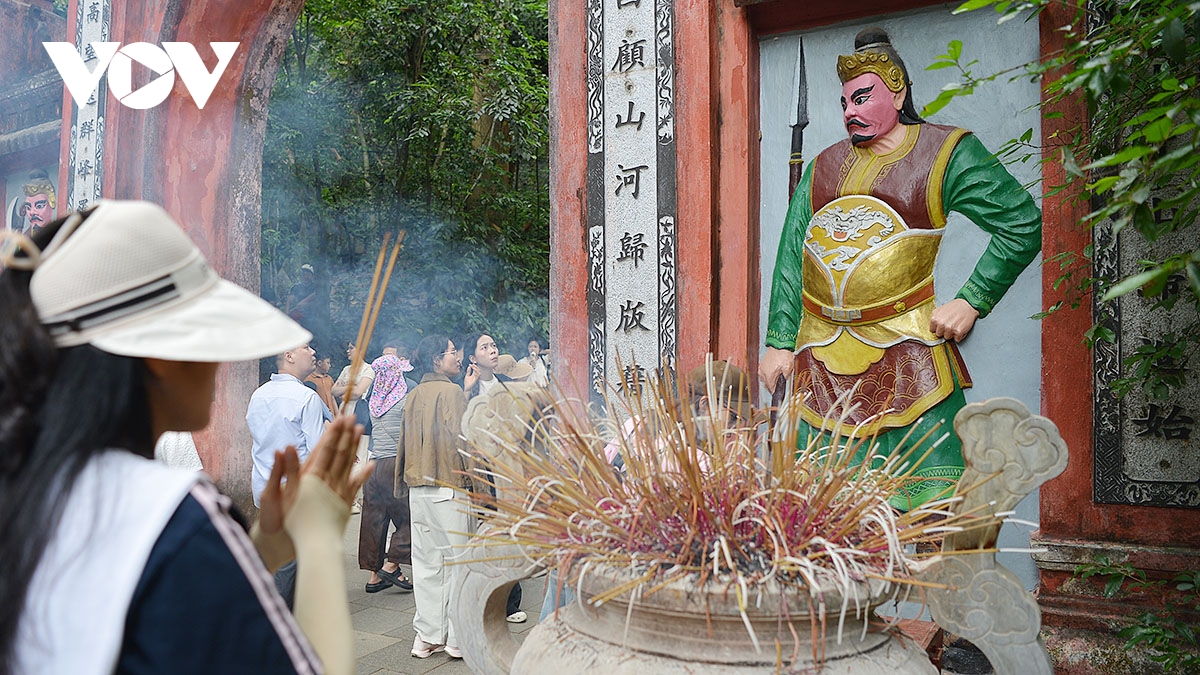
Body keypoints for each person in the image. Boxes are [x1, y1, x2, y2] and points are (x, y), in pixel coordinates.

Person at [0, 200, 370, 674]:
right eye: (204, 332)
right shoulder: (173, 513)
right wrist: (318, 538)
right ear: (158, 354)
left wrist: (266, 548)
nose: (217, 359)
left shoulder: (29, 480)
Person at [758, 27, 1042, 510]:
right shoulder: (823, 166)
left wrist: (973, 298)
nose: (849, 110)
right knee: (820, 518)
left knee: (935, 512)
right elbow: (792, 255)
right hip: (820, 364)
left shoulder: (946, 152)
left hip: (912, 358)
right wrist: (779, 342)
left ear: (899, 91)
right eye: (845, 101)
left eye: (862, 97)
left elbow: (1021, 222)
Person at [396, 335, 476, 659]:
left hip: (418, 490)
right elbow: (464, 442)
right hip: (450, 488)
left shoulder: (414, 394)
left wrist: (403, 484)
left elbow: (404, 442)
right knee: (459, 565)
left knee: (427, 565)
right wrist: (482, 489)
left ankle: (426, 636)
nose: (457, 357)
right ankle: (456, 639)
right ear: (436, 360)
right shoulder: (452, 392)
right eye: (452, 352)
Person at [247, 342, 330, 607]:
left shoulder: (258, 395)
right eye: (306, 348)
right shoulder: (306, 397)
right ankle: (277, 618)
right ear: (289, 356)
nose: (314, 352)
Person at [461, 333, 528, 623]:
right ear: (473, 358)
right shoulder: (464, 388)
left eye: (494, 346)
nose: (492, 351)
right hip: (481, 470)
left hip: (509, 469)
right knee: (487, 533)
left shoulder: (508, 385)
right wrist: (466, 391)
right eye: (484, 347)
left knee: (511, 532)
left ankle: (510, 603)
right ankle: (484, 600)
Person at [357, 348, 416, 594]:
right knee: (411, 518)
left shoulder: (373, 399)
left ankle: (374, 576)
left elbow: (362, 428)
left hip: (374, 466)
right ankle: (392, 564)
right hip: (395, 465)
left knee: (374, 519)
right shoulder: (404, 397)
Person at [17, 170, 56, 237]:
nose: (32, 212)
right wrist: (21, 219)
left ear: (51, 203)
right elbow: (19, 244)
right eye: (28, 208)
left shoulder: (58, 234)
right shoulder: (28, 236)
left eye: (39, 206)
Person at [304, 348, 338, 413]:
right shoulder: (308, 379)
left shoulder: (329, 379)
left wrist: (337, 414)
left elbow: (333, 398)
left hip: (331, 415)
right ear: (319, 363)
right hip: (318, 414)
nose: (330, 366)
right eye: (328, 363)